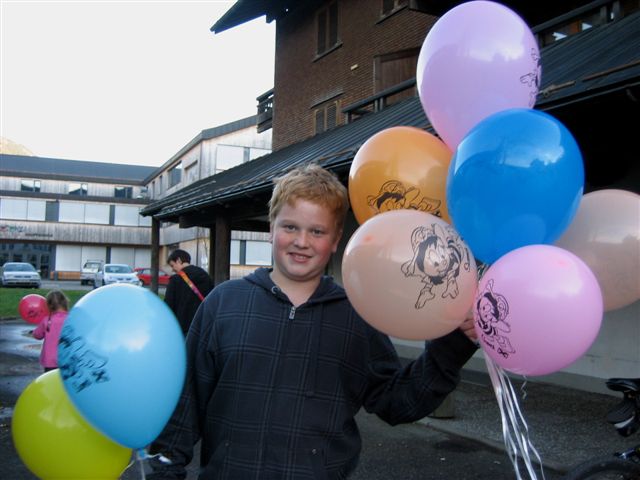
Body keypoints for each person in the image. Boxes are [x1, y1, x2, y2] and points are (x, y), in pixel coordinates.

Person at [149, 164, 478, 479]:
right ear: (271, 229)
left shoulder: (357, 316)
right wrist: (164, 469)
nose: (302, 241)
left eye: (317, 231)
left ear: (335, 240)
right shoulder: (223, 304)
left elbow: (397, 402)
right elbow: (185, 405)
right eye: (290, 227)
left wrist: (453, 346)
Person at [164, 249, 214, 335]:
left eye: (172, 265)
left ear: (179, 260)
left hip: (182, 327)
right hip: (202, 325)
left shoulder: (175, 280)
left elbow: (168, 306)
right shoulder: (205, 276)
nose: (173, 270)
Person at [31, 290, 69, 372]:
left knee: (50, 379)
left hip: (50, 361)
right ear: (65, 302)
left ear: (49, 305)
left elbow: (37, 335)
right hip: (67, 359)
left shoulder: (47, 320)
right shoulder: (71, 319)